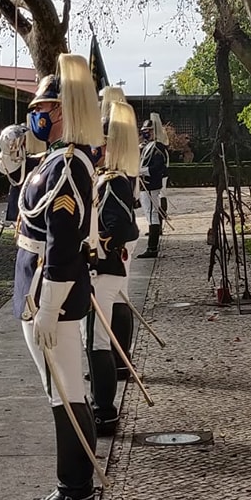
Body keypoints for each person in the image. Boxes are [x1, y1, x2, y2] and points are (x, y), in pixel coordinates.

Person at [2, 54, 104, 500]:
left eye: (44, 106)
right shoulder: (58, 161)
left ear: (63, 109)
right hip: (41, 291)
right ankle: (75, 486)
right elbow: (28, 217)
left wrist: (47, 307)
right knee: (61, 389)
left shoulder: (67, 165)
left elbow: (62, 245)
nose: (36, 114)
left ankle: (75, 490)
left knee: (65, 391)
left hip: (51, 295)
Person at [96, 88, 140, 383]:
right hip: (124, 224)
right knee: (120, 295)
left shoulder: (111, 131)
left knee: (109, 301)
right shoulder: (126, 134)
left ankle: (114, 361)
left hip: (113, 233)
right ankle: (121, 360)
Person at [136, 114, 170, 258]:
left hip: (151, 185)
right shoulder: (148, 146)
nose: (145, 133)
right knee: (150, 215)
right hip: (146, 186)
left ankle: (152, 248)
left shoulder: (157, 147)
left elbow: (156, 168)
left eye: (148, 130)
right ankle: (152, 246)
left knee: (152, 215)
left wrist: (139, 171)